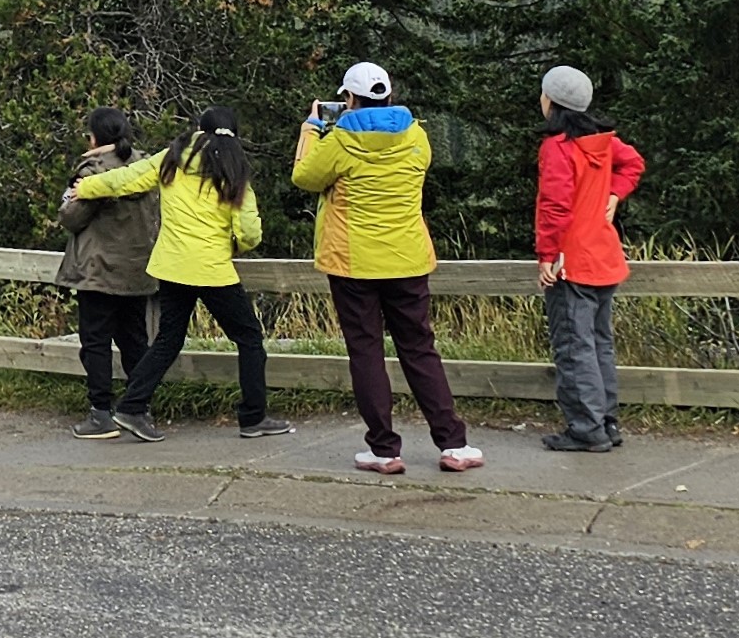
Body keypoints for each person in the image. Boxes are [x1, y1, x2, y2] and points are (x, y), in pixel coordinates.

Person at [293, 60, 479, 475]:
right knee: (419, 347)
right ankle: (454, 443)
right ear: (390, 95)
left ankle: (383, 449)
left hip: (353, 262)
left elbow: (305, 177)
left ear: (350, 99)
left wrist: (312, 127)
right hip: (408, 258)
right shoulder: (417, 138)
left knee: (366, 350)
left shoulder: (338, 141)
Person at [74, 108, 284, 442]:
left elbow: (126, 178)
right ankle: (253, 417)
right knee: (249, 338)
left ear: (200, 129)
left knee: (168, 340)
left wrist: (85, 188)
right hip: (212, 268)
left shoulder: (173, 157)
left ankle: (131, 406)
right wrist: (237, 244)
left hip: (172, 266)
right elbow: (249, 230)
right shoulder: (233, 168)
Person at [534, 63, 647, 452]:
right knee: (600, 343)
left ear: (553, 102)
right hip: (604, 256)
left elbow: (555, 206)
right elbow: (633, 163)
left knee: (573, 346)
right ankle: (606, 421)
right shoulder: (602, 141)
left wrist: (547, 257)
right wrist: (614, 194)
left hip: (572, 262)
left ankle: (586, 428)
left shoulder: (557, 148)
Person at [55, 108, 158, 436]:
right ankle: (139, 408)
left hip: (98, 269)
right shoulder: (146, 164)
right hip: (137, 267)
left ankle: (100, 413)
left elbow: (71, 217)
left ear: (95, 137)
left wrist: (71, 193)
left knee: (96, 341)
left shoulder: (94, 170)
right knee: (135, 340)